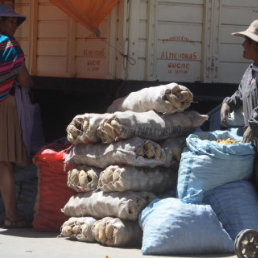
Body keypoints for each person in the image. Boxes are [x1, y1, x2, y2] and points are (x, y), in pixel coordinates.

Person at [0, 5, 33, 228]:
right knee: (4, 164)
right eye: (9, 22)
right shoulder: (10, 45)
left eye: (14, 22)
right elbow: (24, 80)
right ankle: (12, 216)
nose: (13, 26)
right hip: (4, 105)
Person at [220, 20, 258, 188]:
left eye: (247, 41)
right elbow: (241, 94)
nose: (243, 44)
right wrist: (228, 103)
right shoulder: (250, 71)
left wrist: (253, 124)